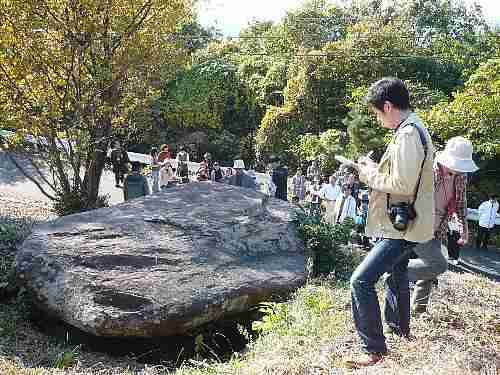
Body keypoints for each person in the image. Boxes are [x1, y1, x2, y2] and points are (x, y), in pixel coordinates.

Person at [347, 77, 434, 368]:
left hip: (403, 227)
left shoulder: (408, 134)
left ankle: (372, 348)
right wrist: (373, 167)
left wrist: (367, 174)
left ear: (387, 106)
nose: (376, 117)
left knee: (360, 281)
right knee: (395, 273)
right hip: (409, 222)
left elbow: (402, 183)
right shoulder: (410, 129)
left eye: (376, 112)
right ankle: (399, 329)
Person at [409, 136, 478, 313]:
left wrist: (464, 229)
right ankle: (395, 271)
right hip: (416, 224)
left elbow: (461, 203)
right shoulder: (428, 171)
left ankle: (419, 309)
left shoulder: (461, 177)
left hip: (437, 228)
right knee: (438, 264)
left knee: (429, 271)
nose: (456, 170)